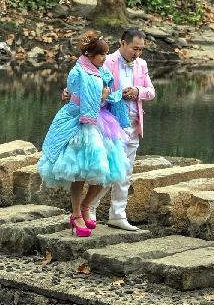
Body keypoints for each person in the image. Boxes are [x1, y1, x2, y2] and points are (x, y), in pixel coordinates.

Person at [37, 31, 130, 237]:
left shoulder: (102, 70)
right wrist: (100, 96)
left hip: (102, 121)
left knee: (107, 172)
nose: (105, 58)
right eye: (101, 54)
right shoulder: (78, 72)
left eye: (106, 54)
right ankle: (76, 213)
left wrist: (109, 95)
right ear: (90, 54)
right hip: (80, 121)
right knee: (79, 173)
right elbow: (77, 97)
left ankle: (86, 206)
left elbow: (109, 90)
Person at [64, 28, 156, 231]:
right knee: (102, 169)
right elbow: (84, 85)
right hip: (107, 122)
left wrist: (138, 91)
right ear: (123, 43)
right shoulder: (107, 61)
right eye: (134, 48)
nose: (137, 53)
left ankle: (118, 215)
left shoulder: (141, 65)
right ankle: (89, 209)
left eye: (141, 50)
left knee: (124, 171)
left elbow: (151, 91)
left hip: (132, 122)